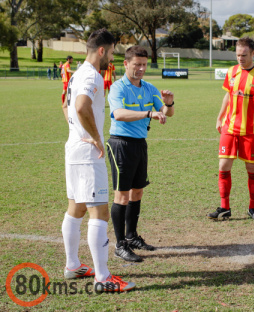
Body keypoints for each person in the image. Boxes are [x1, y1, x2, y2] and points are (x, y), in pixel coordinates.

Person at [61, 28, 135, 292]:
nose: (112, 57)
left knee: (77, 208)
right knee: (99, 213)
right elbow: (80, 107)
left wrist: (77, 132)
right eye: (112, 51)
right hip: (87, 154)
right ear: (102, 50)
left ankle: (72, 266)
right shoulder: (91, 75)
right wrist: (93, 136)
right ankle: (103, 278)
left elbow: (66, 106)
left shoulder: (76, 74)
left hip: (73, 150)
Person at [107, 46, 175, 262]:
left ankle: (132, 236)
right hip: (120, 144)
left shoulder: (149, 87)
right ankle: (120, 245)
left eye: (144, 64)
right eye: (137, 64)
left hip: (139, 144)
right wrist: (148, 113)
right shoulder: (118, 88)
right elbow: (118, 114)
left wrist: (168, 103)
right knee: (122, 195)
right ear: (126, 64)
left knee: (137, 192)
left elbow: (166, 113)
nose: (141, 69)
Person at [207, 37, 254, 222]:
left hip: (252, 131)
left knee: (252, 168)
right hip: (229, 127)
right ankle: (224, 207)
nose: (240, 58)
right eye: (237, 55)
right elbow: (228, 96)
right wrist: (219, 116)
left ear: (253, 53)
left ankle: (253, 207)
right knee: (223, 165)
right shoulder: (231, 72)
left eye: (244, 55)